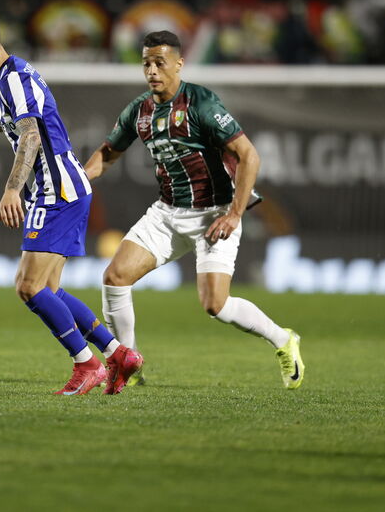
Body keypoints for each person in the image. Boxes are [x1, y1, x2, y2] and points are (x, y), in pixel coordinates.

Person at [0, 8, 143, 396]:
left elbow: (31, 135)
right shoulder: (1, 82)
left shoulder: (15, 78)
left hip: (56, 191)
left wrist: (12, 189)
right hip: (65, 189)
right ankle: (119, 354)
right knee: (48, 289)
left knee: (28, 287)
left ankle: (87, 365)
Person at [84, 30, 305, 390]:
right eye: (146, 64)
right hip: (167, 213)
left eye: (160, 63)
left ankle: (283, 339)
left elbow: (249, 155)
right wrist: (79, 179)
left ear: (179, 64)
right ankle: (127, 362)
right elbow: (108, 153)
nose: (152, 71)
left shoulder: (201, 102)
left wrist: (234, 213)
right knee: (115, 276)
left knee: (215, 304)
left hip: (213, 214)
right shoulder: (139, 110)